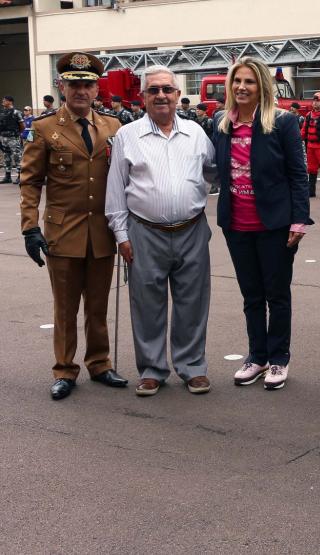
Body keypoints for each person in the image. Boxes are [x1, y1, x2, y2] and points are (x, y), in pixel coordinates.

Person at [19, 52, 126, 400]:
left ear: (96, 89)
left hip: (102, 232)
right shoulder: (44, 128)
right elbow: (30, 181)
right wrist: (29, 227)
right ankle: (64, 370)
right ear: (62, 87)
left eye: (87, 85)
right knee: (65, 308)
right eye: (74, 84)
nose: (81, 90)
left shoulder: (113, 127)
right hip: (63, 232)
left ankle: (100, 364)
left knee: (97, 306)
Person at [105, 65, 217, 397]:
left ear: (178, 95)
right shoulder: (128, 135)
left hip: (192, 230)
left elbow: (213, 171)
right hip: (144, 232)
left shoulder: (196, 133)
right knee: (146, 304)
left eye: (167, 89)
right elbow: (116, 189)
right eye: (153, 90)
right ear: (143, 96)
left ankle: (192, 367)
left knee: (192, 303)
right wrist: (122, 235)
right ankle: (152, 370)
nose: (161, 95)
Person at [212, 57, 310, 391]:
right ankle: (257, 356)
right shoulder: (220, 122)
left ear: (262, 87)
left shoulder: (282, 122)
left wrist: (299, 220)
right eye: (237, 81)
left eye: (249, 81)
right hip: (236, 224)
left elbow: (298, 174)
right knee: (251, 295)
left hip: (275, 224)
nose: (242, 87)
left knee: (276, 295)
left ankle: (279, 358)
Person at [0, 95, 25, 184]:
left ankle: (20, 176)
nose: (3, 102)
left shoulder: (16, 112)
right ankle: (8, 177)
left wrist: (17, 134)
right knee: (6, 157)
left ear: (10, 102)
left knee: (17, 157)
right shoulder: (2, 112)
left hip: (13, 138)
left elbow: (22, 126)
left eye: (4, 100)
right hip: (3, 138)